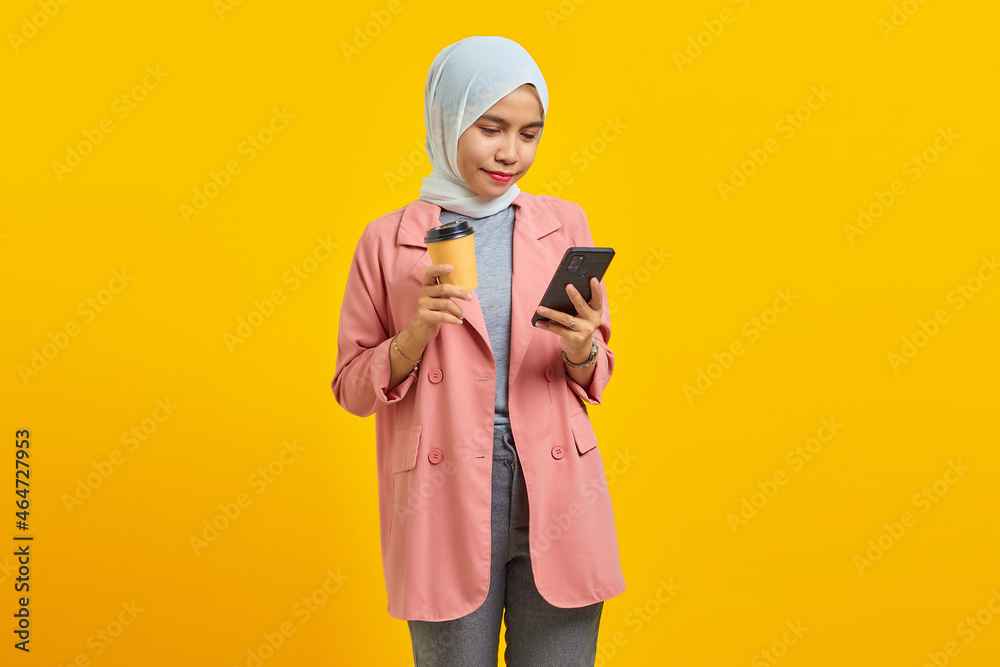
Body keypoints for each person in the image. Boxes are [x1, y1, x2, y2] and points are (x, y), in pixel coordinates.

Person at [332, 35, 625, 666]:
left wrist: (582, 349)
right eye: (491, 128)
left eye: (529, 133)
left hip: (557, 485)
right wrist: (409, 339)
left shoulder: (564, 224)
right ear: (447, 119)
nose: (511, 153)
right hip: (443, 492)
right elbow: (351, 386)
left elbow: (595, 371)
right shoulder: (388, 240)